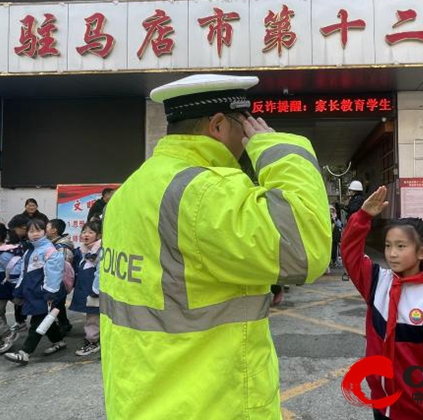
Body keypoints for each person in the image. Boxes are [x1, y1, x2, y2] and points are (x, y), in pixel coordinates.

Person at [99, 74, 331, 419]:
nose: (247, 137)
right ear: (219, 125)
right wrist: (278, 151)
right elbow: (304, 249)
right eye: (244, 126)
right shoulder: (204, 192)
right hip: (209, 404)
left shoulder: (135, 187)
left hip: (140, 397)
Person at [341, 186, 423, 420]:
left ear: (421, 252)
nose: (392, 254)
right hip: (381, 406)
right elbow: (351, 255)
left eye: (401, 246)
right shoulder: (377, 283)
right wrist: (362, 217)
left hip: (418, 412)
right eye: (388, 246)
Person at [4, 219, 68, 365]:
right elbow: (23, 273)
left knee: (37, 323)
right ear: (27, 233)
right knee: (46, 320)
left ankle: (25, 353)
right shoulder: (28, 251)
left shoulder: (50, 250)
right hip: (34, 294)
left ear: (45, 231)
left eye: (38, 230)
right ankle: (58, 341)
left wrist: (50, 295)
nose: (35, 234)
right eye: (31, 231)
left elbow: (54, 275)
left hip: (46, 295)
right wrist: (18, 292)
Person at [0, 223, 22, 354]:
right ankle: (1, 337)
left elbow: (14, 274)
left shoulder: (5, 254)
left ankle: (8, 335)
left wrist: (15, 292)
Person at [70, 221, 101, 356]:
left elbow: (101, 272)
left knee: (93, 317)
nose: (86, 235)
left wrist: (96, 289)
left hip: (94, 292)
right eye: (84, 232)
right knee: (91, 315)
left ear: (99, 235)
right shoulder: (83, 250)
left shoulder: (100, 251)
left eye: (90, 232)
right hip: (85, 289)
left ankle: (92, 342)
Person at [46, 219, 75, 335]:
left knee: (56, 304)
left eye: (47, 227)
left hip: (59, 281)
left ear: (54, 230)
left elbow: (63, 267)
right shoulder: (53, 243)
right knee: (58, 305)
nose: (44, 230)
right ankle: (64, 323)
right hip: (55, 280)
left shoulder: (61, 247)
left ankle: (63, 326)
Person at [6, 214, 30, 332]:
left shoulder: (27, 242)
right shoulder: (14, 241)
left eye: (14, 230)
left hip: (23, 276)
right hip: (15, 277)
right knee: (18, 300)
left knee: (20, 299)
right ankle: (20, 322)